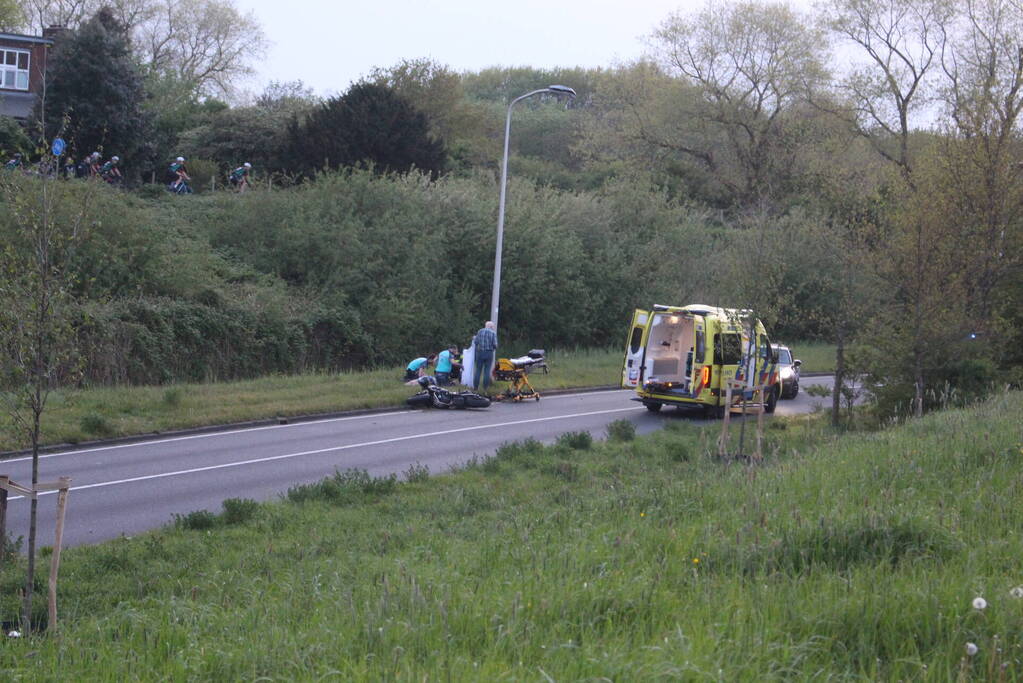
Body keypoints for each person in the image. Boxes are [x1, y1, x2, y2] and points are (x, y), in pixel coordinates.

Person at [471, 321, 498, 394]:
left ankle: (475, 388)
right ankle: (485, 389)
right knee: (487, 371)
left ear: (485, 326)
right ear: (491, 327)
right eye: (492, 327)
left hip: (480, 353)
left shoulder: (480, 331)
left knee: (478, 370)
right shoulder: (493, 333)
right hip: (489, 353)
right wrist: (492, 348)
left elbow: (476, 342)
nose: (493, 328)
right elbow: (495, 345)